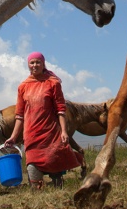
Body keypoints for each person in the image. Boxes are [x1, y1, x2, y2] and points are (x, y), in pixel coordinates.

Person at [4, 52, 82, 189]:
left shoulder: (53, 83)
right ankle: (36, 198)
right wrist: (13, 136)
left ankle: (59, 194)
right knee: (33, 172)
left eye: (38, 62)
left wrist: (64, 131)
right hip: (31, 134)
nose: (35, 65)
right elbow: (19, 115)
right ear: (28, 65)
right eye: (32, 63)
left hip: (50, 133)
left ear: (43, 64)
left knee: (55, 167)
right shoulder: (23, 86)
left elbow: (61, 110)